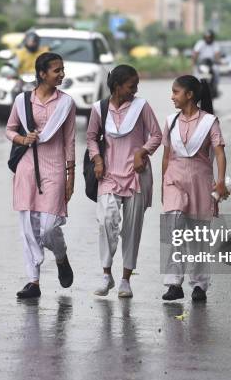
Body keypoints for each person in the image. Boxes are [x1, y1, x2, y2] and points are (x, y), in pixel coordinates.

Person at [86, 64, 163, 298]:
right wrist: (97, 160)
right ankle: (106, 274)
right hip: (108, 174)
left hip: (136, 175)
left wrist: (142, 152)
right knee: (106, 221)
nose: (135, 89)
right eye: (132, 85)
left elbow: (157, 135)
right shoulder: (100, 109)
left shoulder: (141, 107)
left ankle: (125, 280)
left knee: (132, 229)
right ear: (117, 87)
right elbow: (91, 137)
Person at [5, 52, 76, 299]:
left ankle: (60, 256)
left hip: (55, 168)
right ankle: (33, 281)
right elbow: (10, 129)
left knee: (47, 227)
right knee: (28, 226)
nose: (61, 74)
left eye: (62, 69)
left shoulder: (66, 102)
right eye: (57, 70)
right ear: (42, 74)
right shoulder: (22, 101)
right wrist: (23, 139)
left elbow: (69, 139)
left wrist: (71, 175)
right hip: (26, 168)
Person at [161, 75, 228, 302]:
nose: (172, 97)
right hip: (174, 182)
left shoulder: (210, 122)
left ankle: (199, 285)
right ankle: (173, 283)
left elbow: (219, 152)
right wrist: (163, 184)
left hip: (200, 182)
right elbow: (166, 156)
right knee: (175, 230)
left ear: (189, 95)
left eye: (176, 92)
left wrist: (220, 181)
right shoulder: (170, 121)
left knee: (197, 236)